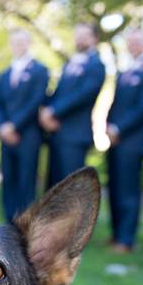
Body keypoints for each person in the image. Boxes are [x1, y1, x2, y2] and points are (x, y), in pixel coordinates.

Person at [105, 28, 143, 253]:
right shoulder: (125, 71)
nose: (132, 46)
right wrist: (108, 126)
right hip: (116, 140)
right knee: (115, 188)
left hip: (134, 140)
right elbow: (115, 103)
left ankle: (127, 238)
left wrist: (119, 128)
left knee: (129, 190)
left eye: (136, 42)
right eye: (129, 43)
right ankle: (116, 232)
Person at [40, 22, 106, 189]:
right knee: (53, 189)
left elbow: (83, 95)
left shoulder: (97, 65)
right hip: (57, 133)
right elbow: (58, 93)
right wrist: (43, 111)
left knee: (70, 190)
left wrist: (53, 111)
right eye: (78, 36)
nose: (80, 40)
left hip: (76, 135)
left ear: (95, 39)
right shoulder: (69, 64)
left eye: (85, 36)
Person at [0, 29, 49, 221]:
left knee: (26, 181)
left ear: (28, 43)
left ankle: (25, 223)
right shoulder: (5, 73)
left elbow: (36, 101)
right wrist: (2, 126)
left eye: (21, 42)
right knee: (8, 180)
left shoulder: (40, 70)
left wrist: (14, 126)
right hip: (5, 137)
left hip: (28, 136)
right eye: (14, 42)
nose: (18, 46)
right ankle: (8, 222)